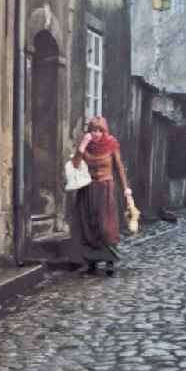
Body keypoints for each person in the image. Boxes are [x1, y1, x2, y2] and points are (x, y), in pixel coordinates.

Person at [70, 115, 131, 277]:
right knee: (89, 225)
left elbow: (119, 167)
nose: (96, 133)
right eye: (93, 130)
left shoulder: (111, 144)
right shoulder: (86, 146)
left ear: (104, 131)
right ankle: (91, 262)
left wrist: (126, 189)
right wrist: (82, 144)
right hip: (88, 189)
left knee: (106, 226)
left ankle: (110, 261)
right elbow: (75, 165)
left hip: (106, 188)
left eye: (99, 130)